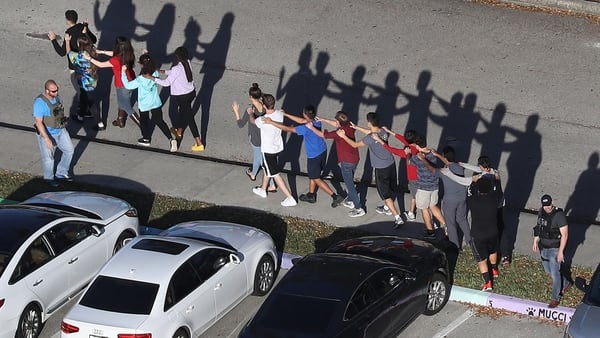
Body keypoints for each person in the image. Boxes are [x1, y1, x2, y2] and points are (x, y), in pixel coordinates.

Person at [266, 105, 344, 208]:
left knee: (316, 177)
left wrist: (271, 122)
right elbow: (302, 120)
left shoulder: (305, 128)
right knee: (313, 175)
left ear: (304, 114)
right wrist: (285, 114)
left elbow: (288, 129)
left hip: (314, 155)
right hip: (322, 150)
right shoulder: (316, 120)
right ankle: (311, 195)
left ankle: (335, 196)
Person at [336, 112, 403, 227]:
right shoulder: (382, 131)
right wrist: (357, 127)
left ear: (369, 123)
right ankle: (387, 208)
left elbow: (355, 144)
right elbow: (371, 133)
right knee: (391, 187)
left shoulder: (370, 138)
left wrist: (343, 136)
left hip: (380, 168)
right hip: (391, 163)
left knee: (385, 194)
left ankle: (397, 217)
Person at [310, 111, 365, 217]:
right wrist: (324, 120)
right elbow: (336, 124)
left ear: (339, 123)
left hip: (346, 161)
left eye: (336, 121)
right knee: (350, 180)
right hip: (354, 158)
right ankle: (350, 199)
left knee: (350, 185)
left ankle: (358, 208)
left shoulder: (339, 133)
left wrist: (311, 127)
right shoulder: (349, 125)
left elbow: (322, 134)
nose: (335, 123)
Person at [121, 53, 178, 152]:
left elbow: (128, 85)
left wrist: (123, 73)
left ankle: (146, 138)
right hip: (155, 102)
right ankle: (171, 139)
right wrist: (146, 55)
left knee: (144, 121)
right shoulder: (155, 73)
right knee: (160, 121)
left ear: (142, 65)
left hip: (144, 104)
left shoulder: (141, 79)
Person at [48, 10, 97, 115]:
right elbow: (94, 39)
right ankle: (84, 107)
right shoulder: (82, 27)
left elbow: (62, 52)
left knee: (80, 91)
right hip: (87, 63)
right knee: (84, 89)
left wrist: (53, 39)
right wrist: (86, 27)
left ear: (67, 20)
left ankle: (85, 111)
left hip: (75, 66)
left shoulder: (68, 33)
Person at [155, 47, 204, 151]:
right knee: (185, 114)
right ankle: (179, 131)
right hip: (190, 93)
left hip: (181, 97)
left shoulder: (176, 68)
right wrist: (163, 71)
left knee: (184, 117)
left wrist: (153, 78)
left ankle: (199, 143)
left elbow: (167, 83)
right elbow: (176, 72)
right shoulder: (187, 62)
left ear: (177, 57)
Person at [252, 94, 297, 207]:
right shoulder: (280, 113)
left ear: (264, 105)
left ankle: (289, 197)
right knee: (268, 168)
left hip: (268, 150)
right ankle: (263, 190)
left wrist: (250, 114)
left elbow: (253, 122)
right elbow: (280, 112)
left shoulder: (262, 119)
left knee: (275, 173)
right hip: (277, 147)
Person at [86, 37, 139, 128]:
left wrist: (89, 58)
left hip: (122, 85)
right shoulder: (128, 53)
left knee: (126, 106)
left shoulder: (115, 60)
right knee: (122, 102)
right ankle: (120, 120)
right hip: (131, 80)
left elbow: (101, 65)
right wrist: (102, 52)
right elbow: (114, 54)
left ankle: (143, 126)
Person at [232, 83, 275, 192]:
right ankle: (253, 173)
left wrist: (236, 111)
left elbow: (240, 124)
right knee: (258, 157)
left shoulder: (250, 110)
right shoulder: (265, 107)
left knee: (261, 160)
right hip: (265, 137)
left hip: (255, 139)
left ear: (251, 97)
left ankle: (271, 183)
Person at [33, 80, 74, 187]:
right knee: (49, 159)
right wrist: (46, 138)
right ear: (47, 90)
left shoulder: (57, 98)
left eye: (57, 90)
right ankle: (48, 178)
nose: (56, 93)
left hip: (60, 130)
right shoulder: (39, 103)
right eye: (53, 91)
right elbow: (38, 122)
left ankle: (61, 172)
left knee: (69, 151)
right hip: (47, 133)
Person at [533, 194, 570, 308]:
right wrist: (535, 241)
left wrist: (560, 252)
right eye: (545, 206)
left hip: (555, 248)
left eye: (548, 205)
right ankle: (566, 282)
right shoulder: (541, 212)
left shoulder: (559, 215)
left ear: (552, 202)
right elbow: (539, 228)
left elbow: (565, 235)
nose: (547, 208)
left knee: (554, 275)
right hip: (544, 246)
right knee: (548, 270)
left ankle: (555, 298)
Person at [429, 147, 471, 249]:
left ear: (444, 157)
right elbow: (448, 162)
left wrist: (423, 160)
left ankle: (455, 247)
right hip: (462, 197)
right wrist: (438, 155)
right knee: (462, 219)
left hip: (450, 201)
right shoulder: (459, 167)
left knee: (451, 224)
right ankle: (471, 241)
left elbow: (433, 170)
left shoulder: (443, 171)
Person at [466, 177, 501, 292]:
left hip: (478, 235)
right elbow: (498, 191)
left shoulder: (473, 201)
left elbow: (468, 193)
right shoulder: (494, 199)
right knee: (493, 251)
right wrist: (497, 181)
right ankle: (495, 269)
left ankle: (488, 282)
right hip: (493, 232)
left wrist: (472, 182)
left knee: (481, 259)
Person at [378, 127, 419, 221]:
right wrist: (390, 132)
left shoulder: (407, 152)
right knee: (415, 194)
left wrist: (380, 141)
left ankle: (411, 213)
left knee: (414, 195)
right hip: (420, 174)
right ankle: (411, 212)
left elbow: (391, 150)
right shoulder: (417, 146)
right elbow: (403, 140)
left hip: (413, 177)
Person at [410, 135, 447, 239]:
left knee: (423, 208)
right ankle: (445, 224)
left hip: (423, 188)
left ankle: (430, 232)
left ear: (417, 145)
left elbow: (410, 163)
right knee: (433, 205)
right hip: (434, 185)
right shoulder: (433, 153)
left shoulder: (417, 157)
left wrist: (408, 154)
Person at [65, 33, 103, 130]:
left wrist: (67, 41)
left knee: (91, 103)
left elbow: (69, 53)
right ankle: (80, 116)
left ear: (80, 45)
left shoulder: (79, 56)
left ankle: (100, 124)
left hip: (84, 83)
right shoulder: (93, 52)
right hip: (92, 81)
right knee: (83, 99)